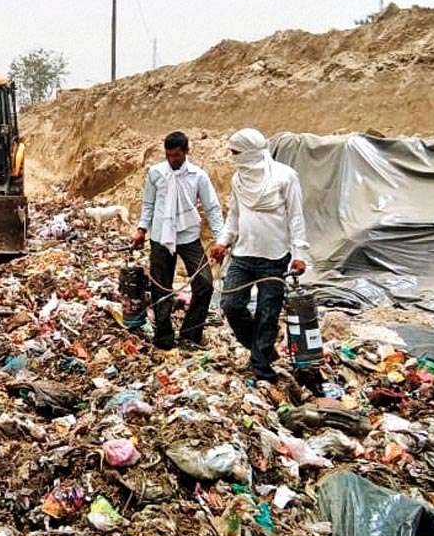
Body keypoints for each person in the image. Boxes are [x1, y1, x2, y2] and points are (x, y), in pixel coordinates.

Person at [209, 128, 310, 382]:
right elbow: (234, 216)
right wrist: (223, 242)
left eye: (236, 153)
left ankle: (261, 366)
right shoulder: (238, 180)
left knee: (268, 313)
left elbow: (296, 217)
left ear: (250, 152)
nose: (233, 157)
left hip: (274, 258)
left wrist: (299, 253)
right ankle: (260, 348)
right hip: (242, 254)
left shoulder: (285, 177)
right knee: (231, 305)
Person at [130, 131, 224, 350]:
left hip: (188, 236)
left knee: (205, 283)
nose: (172, 160)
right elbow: (149, 204)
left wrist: (220, 239)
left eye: (177, 155)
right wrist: (141, 229)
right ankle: (164, 338)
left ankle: (191, 334)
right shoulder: (156, 173)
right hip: (161, 237)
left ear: (186, 152)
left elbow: (212, 208)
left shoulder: (198, 176)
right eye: (169, 155)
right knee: (161, 287)